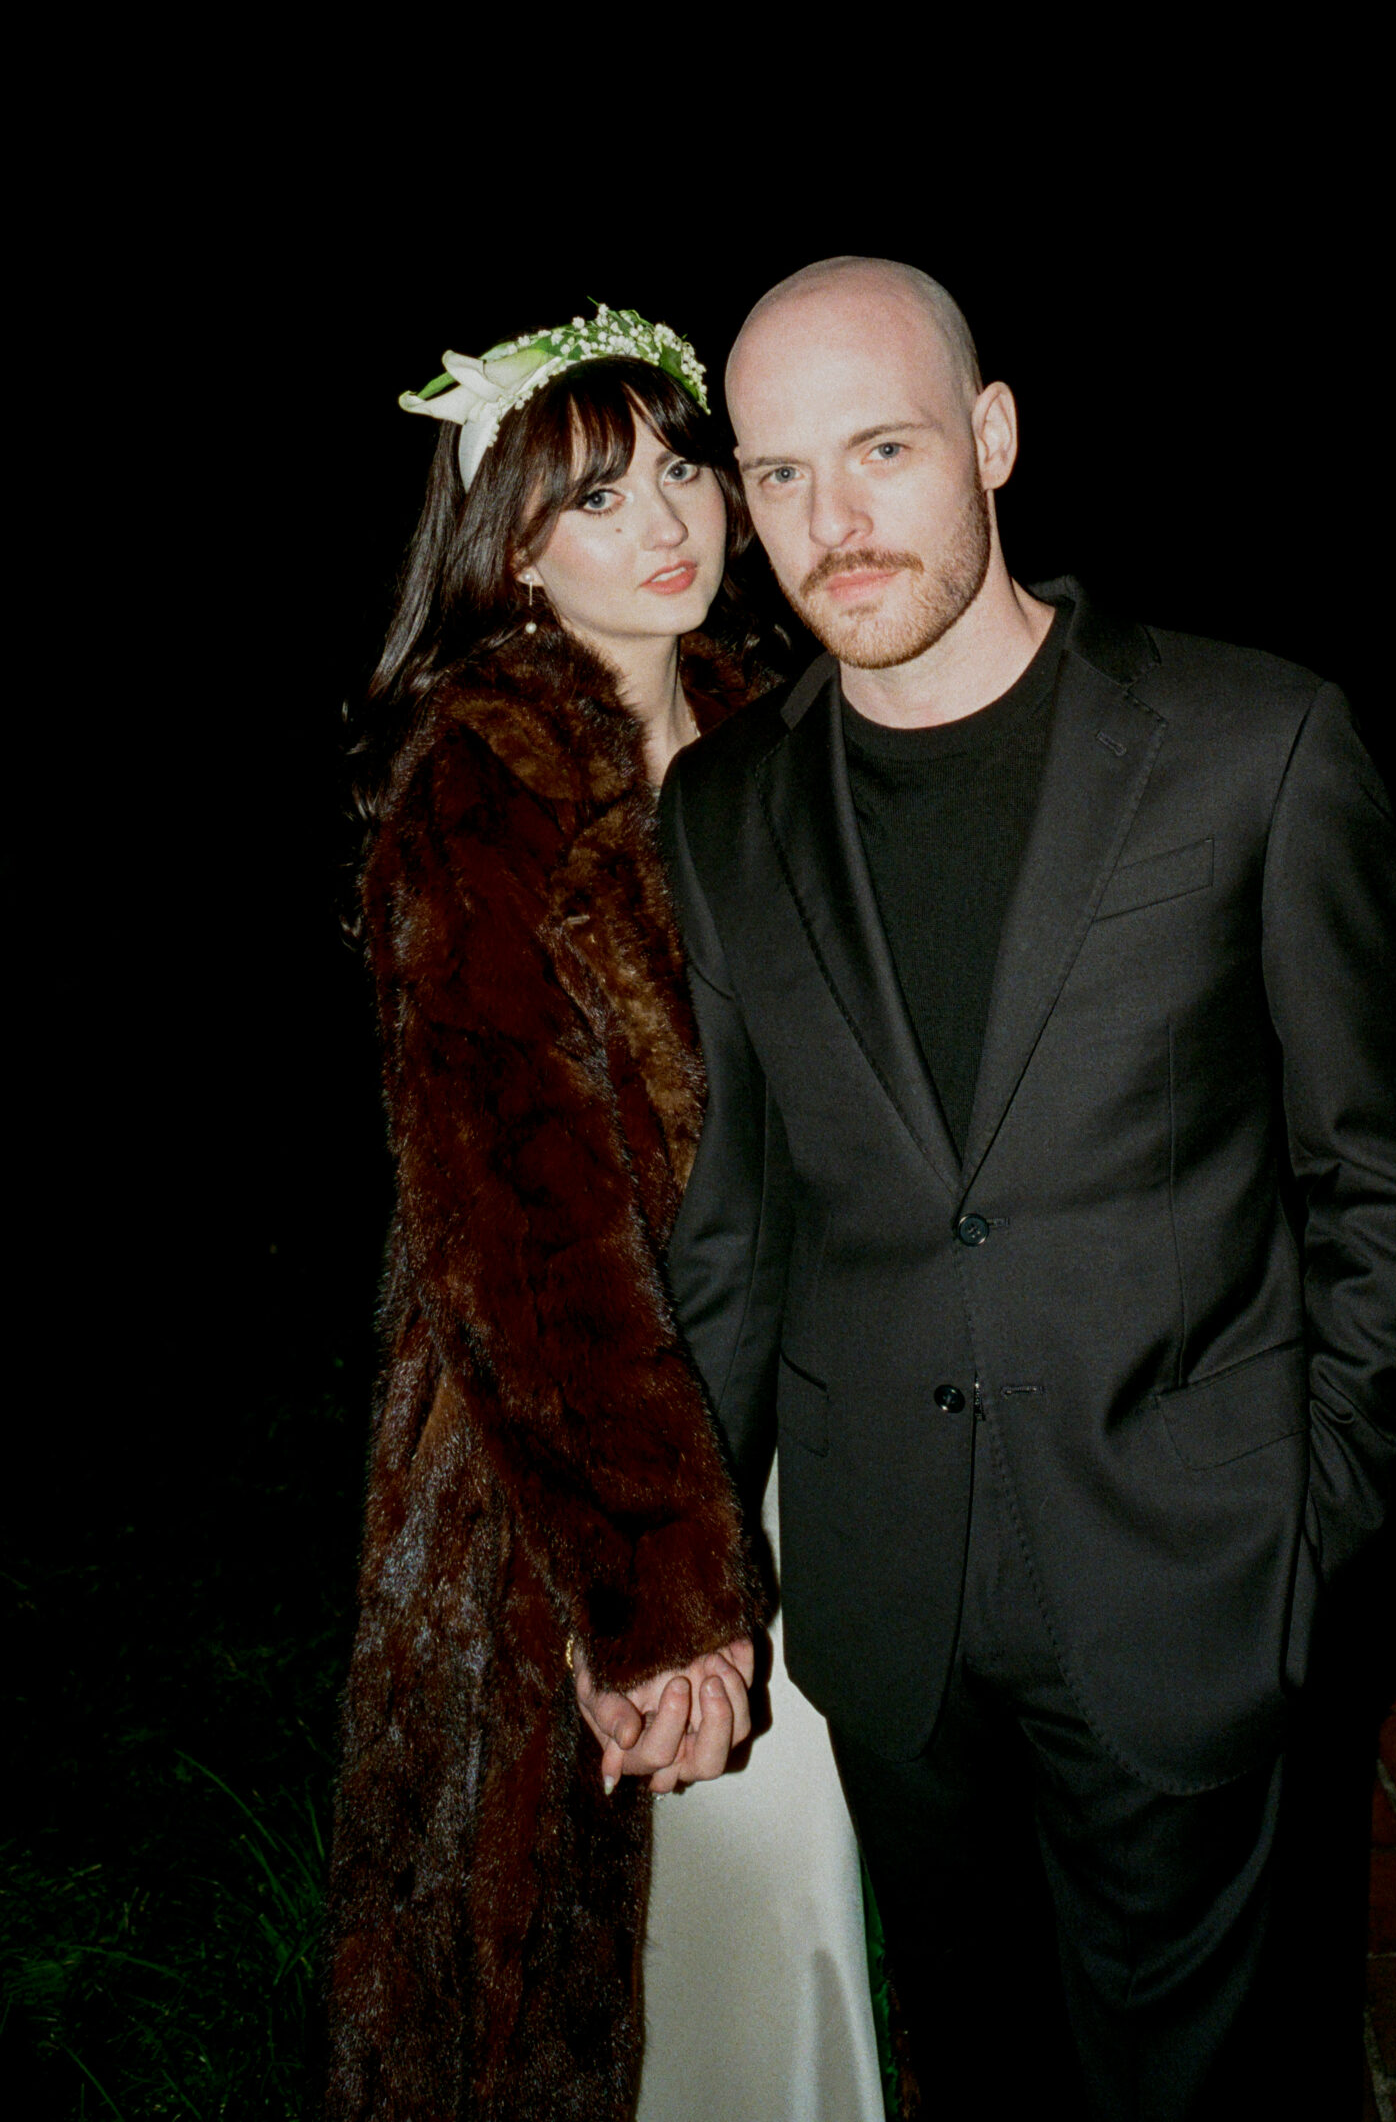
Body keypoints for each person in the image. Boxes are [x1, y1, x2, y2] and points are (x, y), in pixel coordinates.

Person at [658, 257, 1396, 2119]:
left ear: (993, 437)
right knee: (983, 2072)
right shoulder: (723, 809)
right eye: (777, 474)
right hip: (886, 1609)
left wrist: (1313, 1530)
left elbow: (1393, 1187)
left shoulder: (1251, 744)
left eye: (880, 449)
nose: (831, 523)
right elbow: (734, 1228)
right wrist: (689, 1570)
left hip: (1191, 1577)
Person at [322, 306, 880, 2122]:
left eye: (682, 469)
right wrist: (648, 1590)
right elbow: (521, 1231)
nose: (670, 523)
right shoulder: (476, 791)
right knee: (665, 1923)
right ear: (510, 547)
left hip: (819, 1406)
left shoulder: (777, 732)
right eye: (595, 496)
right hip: (581, 1459)